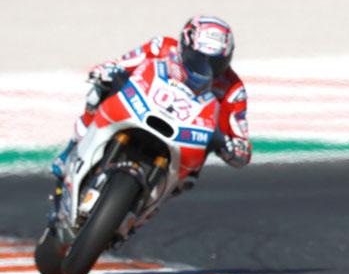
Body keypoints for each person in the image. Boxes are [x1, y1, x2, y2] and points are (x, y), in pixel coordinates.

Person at [51, 15, 252, 178]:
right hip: (144, 108)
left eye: (215, 63)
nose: (205, 67)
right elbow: (123, 63)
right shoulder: (162, 47)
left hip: (185, 139)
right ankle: (72, 148)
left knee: (189, 177)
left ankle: (146, 204)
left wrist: (232, 147)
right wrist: (107, 71)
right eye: (198, 58)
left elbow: (241, 141)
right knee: (97, 92)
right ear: (185, 46)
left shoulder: (233, 90)